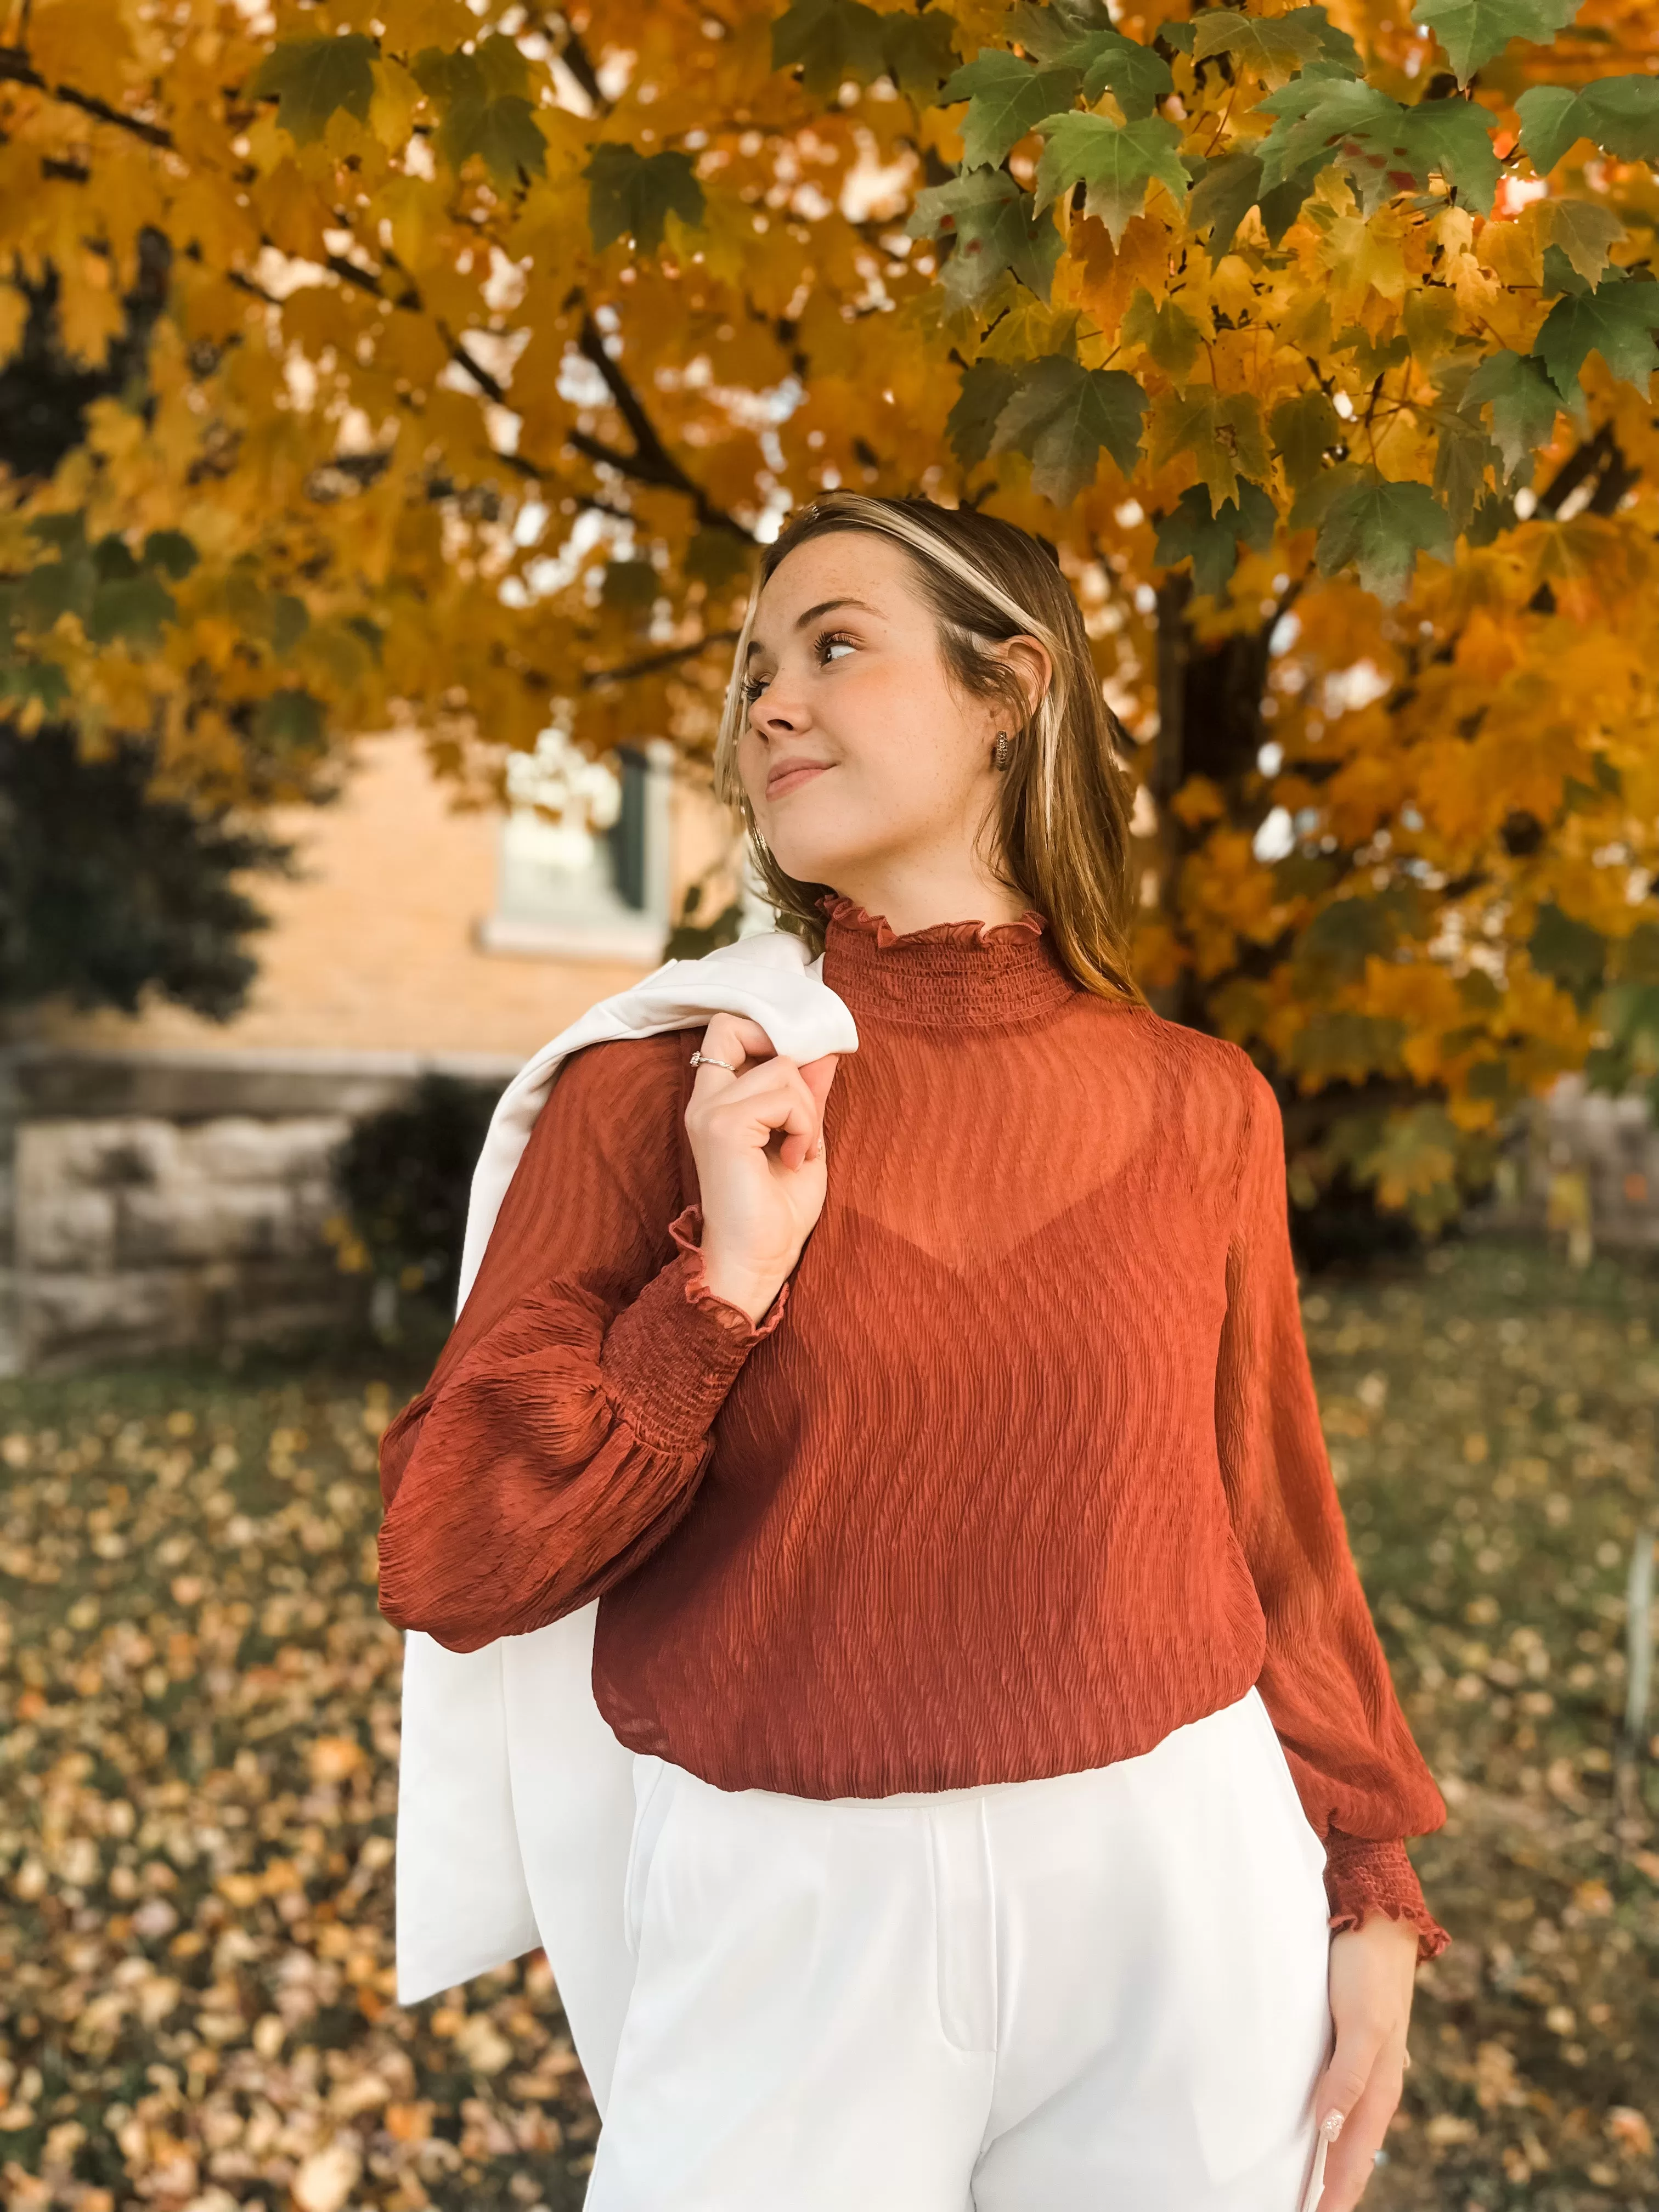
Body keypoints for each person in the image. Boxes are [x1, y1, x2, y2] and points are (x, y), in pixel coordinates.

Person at [375, 491, 1448, 2212]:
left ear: (1009, 690)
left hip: (1184, 1886)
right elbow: (449, 1551)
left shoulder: (1200, 1104)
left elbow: (1274, 1526)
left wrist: (1370, 1879)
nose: (766, 704)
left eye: (834, 646)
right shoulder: (662, 1086)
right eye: (750, 672)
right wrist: (720, 1285)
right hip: (789, 1919)